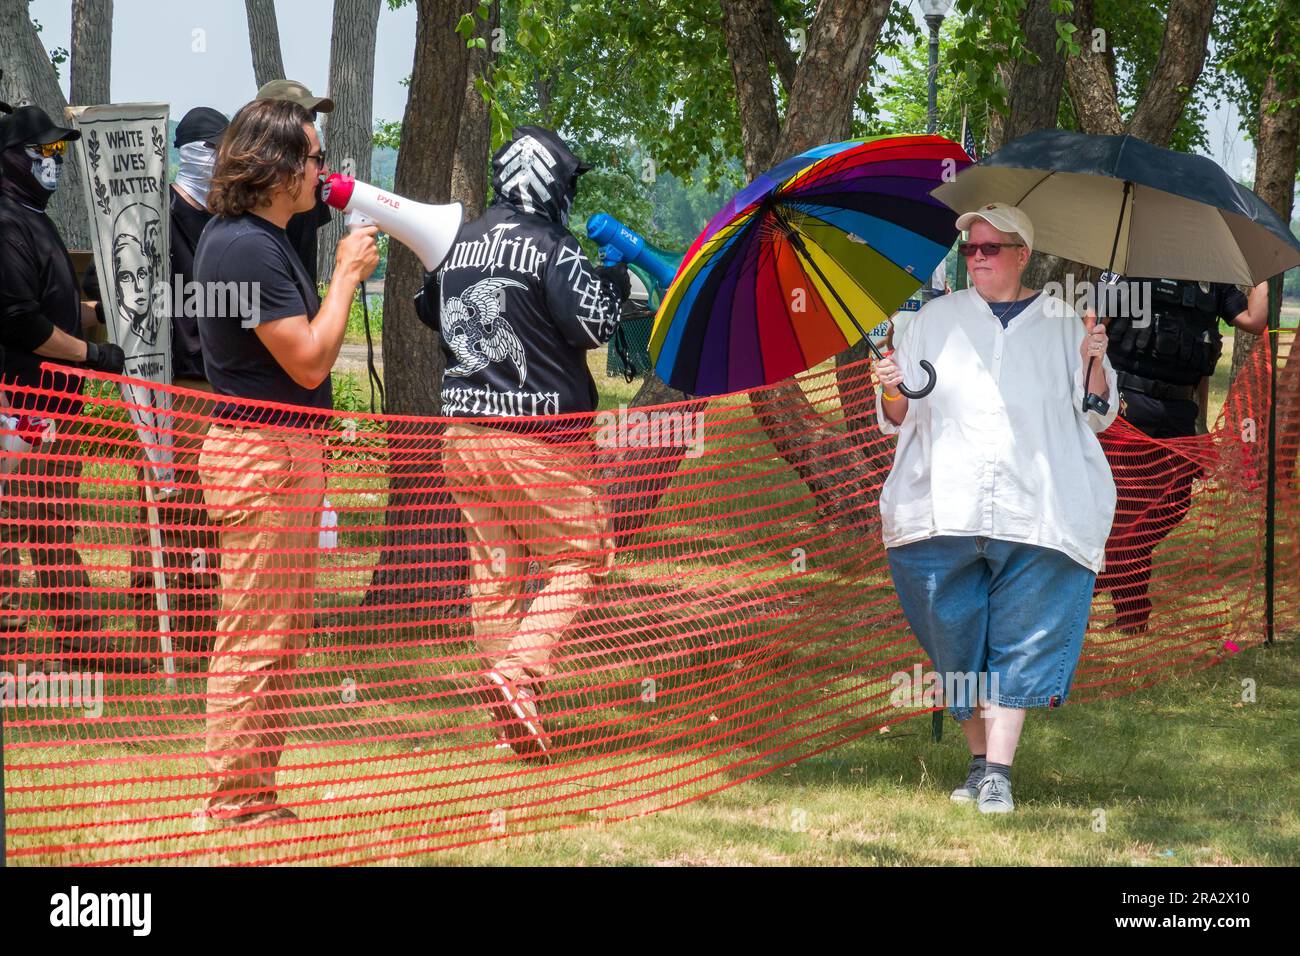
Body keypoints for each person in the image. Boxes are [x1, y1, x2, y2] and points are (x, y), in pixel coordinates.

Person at [874, 202, 1119, 814]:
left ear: (1021, 256)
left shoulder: (1065, 321)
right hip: (939, 506)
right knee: (954, 643)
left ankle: (998, 775)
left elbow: (1097, 414)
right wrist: (887, 384)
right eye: (970, 249)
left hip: (1039, 506)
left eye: (990, 249)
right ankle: (980, 761)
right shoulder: (931, 319)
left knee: (1022, 639)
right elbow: (899, 415)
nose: (977, 258)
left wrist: (1093, 358)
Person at [419, 125, 631, 761]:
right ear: (553, 182)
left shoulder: (458, 241)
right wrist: (616, 283)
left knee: (496, 571)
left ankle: (510, 722)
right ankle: (520, 675)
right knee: (583, 553)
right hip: (538, 438)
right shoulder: (553, 247)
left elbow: (428, 309)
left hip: (461, 435)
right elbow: (594, 327)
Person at [194, 98, 378, 827]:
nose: (322, 171)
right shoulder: (245, 246)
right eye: (312, 158)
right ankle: (235, 799)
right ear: (276, 168)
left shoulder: (251, 236)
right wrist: (346, 277)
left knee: (279, 634)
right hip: (264, 456)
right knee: (257, 636)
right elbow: (307, 362)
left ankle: (254, 792)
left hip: (277, 454)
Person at [0, 104, 129, 668]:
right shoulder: (4, 222)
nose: (55, 161)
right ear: (11, 159)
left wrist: (110, 309)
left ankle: (83, 648)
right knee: (11, 529)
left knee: (52, 525)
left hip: (57, 407)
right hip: (17, 404)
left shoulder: (36, 217)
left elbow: (60, 306)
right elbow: (18, 319)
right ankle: (9, 649)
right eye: (44, 151)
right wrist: (92, 355)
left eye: (60, 151)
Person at [1096, 275, 1267, 633]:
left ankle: (1099, 578)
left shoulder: (1212, 279)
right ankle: (1131, 616)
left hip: (1179, 410)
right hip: (1127, 405)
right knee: (1127, 512)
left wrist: (1261, 273)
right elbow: (1092, 321)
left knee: (1172, 506)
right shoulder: (1133, 265)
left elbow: (1254, 321)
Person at [123, 107, 229, 655]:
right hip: (169, 391)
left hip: (221, 393)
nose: (221, 162)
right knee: (164, 515)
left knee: (209, 520)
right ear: (188, 152)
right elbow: (114, 286)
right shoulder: (153, 217)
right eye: (213, 149)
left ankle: (199, 633)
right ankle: (157, 635)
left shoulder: (226, 222)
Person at [255, 80, 335, 284]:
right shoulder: (247, 241)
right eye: (303, 116)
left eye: (312, 117)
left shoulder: (310, 188)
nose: (310, 122)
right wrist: (347, 273)